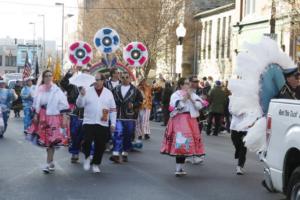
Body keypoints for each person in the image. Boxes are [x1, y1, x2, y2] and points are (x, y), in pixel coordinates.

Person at [26, 70, 70, 174]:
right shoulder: (40, 90)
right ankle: (51, 161)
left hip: (53, 117)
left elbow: (64, 104)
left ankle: (47, 163)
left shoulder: (57, 90)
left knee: (52, 141)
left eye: (50, 76)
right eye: (46, 76)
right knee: (46, 141)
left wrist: (64, 117)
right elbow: (36, 103)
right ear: (43, 78)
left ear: (52, 77)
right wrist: (36, 114)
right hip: (42, 117)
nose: (48, 78)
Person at [161, 78, 206, 176]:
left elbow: (199, 106)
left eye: (189, 83)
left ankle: (180, 168)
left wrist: (192, 99)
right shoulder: (176, 94)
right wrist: (186, 97)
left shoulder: (193, 94)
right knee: (181, 143)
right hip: (180, 119)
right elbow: (178, 106)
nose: (188, 85)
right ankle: (178, 168)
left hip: (191, 120)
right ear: (181, 85)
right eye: (186, 83)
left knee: (187, 144)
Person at [77, 72, 117, 173]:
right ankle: (86, 157)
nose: (95, 82)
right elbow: (80, 105)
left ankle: (95, 164)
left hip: (102, 123)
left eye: (98, 80)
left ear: (103, 81)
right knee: (87, 141)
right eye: (94, 80)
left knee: (100, 145)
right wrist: (81, 96)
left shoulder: (108, 93)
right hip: (88, 121)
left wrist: (113, 124)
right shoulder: (87, 91)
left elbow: (113, 109)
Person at [110, 72, 143, 163]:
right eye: (123, 77)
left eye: (127, 77)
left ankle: (125, 152)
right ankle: (116, 153)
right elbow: (111, 100)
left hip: (130, 116)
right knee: (118, 133)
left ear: (130, 79)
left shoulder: (135, 90)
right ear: (120, 78)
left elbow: (140, 101)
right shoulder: (115, 89)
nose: (125, 79)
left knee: (128, 135)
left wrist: (133, 105)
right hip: (119, 115)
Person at [185, 76, 206, 165]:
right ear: (189, 82)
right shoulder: (183, 93)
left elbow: (200, 106)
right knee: (190, 137)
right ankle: (190, 156)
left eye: (197, 81)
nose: (197, 83)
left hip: (193, 118)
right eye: (195, 81)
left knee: (194, 137)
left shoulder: (195, 94)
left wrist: (198, 101)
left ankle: (191, 155)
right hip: (186, 119)